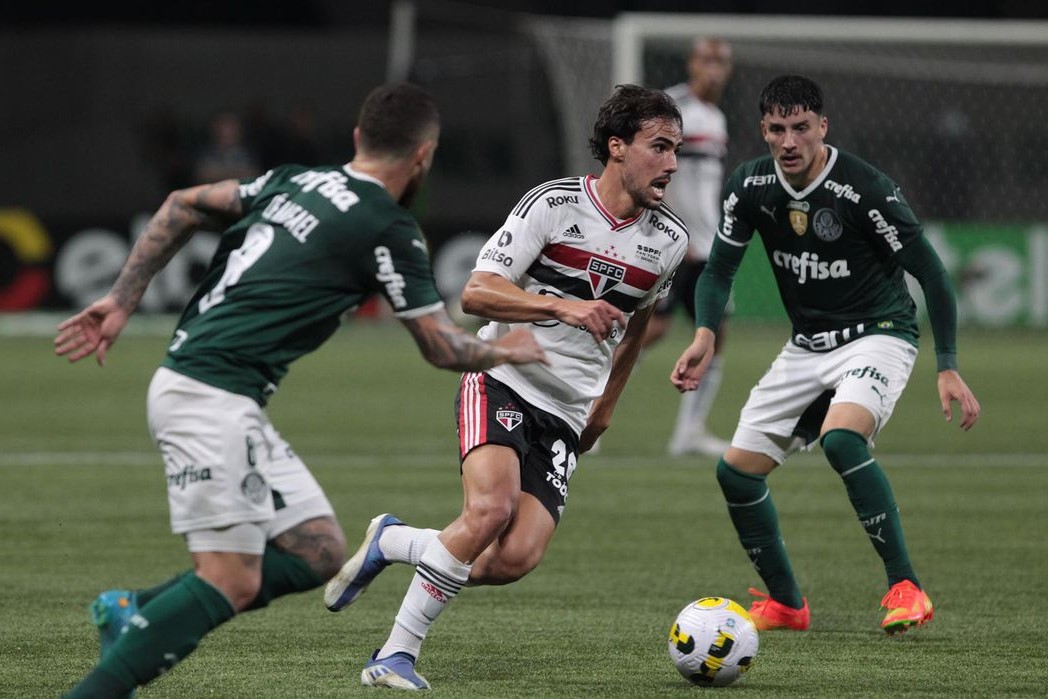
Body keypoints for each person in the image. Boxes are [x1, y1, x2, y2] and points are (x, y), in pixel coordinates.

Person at [54, 82, 546, 698]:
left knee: (317, 550)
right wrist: (510, 347)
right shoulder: (388, 227)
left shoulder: (294, 180)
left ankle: (132, 607)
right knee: (228, 579)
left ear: (359, 139)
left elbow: (181, 204)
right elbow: (443, 347)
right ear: (424, 156)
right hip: (210, 398)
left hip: (212, 391)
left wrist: (121, 300)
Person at [323, 84, 689, 690]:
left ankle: (394, 541)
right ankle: (395, 655)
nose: (672, 162)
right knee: (488, 511)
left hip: (570, 411)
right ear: (618, 148)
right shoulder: (552, 206)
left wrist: (606, 403)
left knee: (515, 558)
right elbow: (475, 294)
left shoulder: (668, 241)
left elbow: (639, 320)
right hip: (504, 377)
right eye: (660, 146)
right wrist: (564, 308)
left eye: (676, 148)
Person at [671, 75, 981, 635]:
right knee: (737, 475)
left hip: (879, 333)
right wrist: (705, 333)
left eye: (800, 128)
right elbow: (718, 270)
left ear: (822, 127)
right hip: (806, 345)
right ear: (763, 129)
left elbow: (931, 272)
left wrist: (949, 364)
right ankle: (788, 605)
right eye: (776, 129)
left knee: (841, 439)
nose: (788, 141)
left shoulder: (866, 188)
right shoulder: (750, 185)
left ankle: (906, 587)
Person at [643, 37, 735, 457]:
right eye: (706, 60)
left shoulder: (716, 118)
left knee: (715, 333)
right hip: (672, 245)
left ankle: (690, 432)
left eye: (721, 61)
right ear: (692, 64)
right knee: (649, 331)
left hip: (707, 244)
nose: (714, 68)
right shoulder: (671, 110)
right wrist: (668, 232)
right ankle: (583, 408)